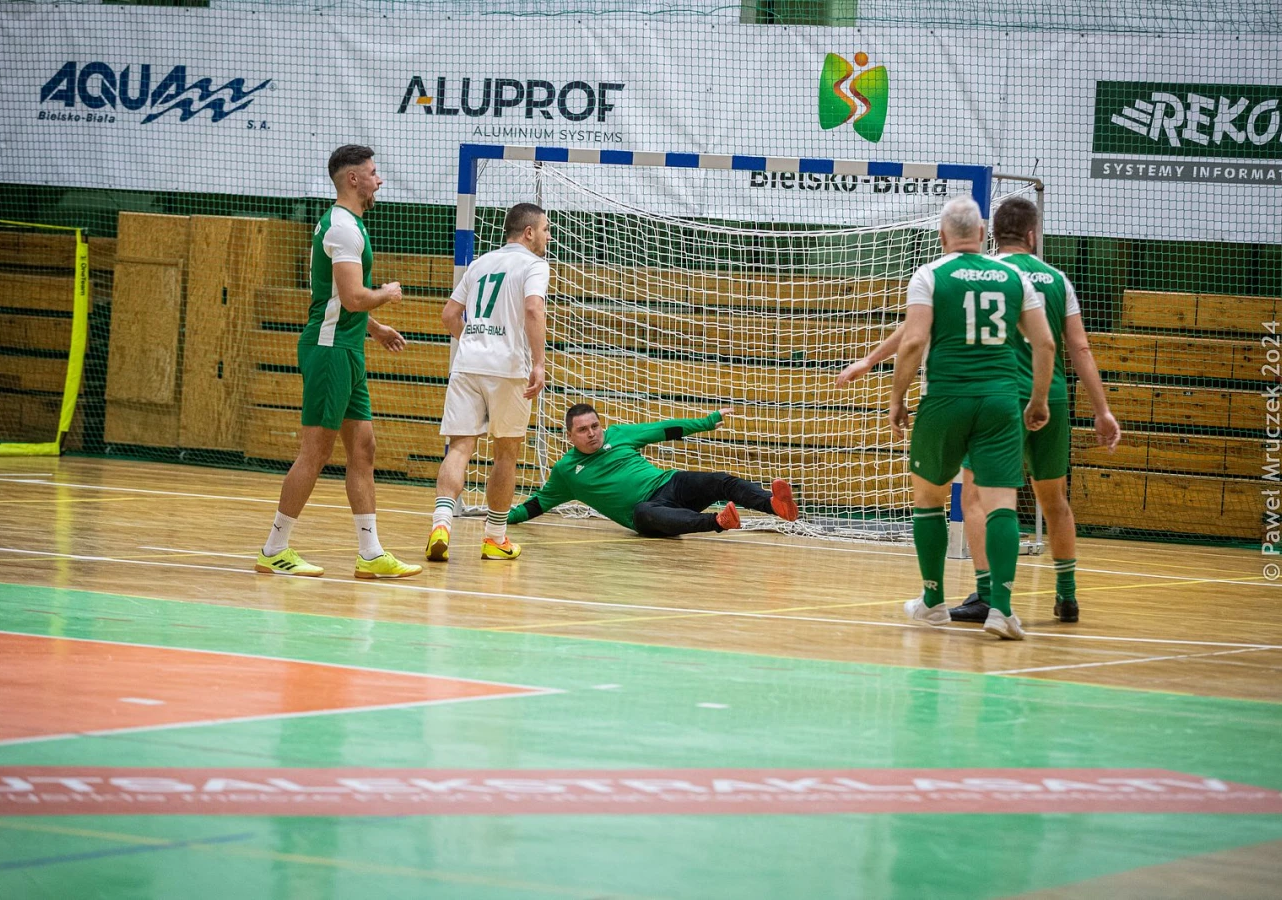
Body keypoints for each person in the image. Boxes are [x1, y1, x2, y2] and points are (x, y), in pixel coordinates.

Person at [839, 196, 1120, 625]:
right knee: (1047, 500)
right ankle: (1057, 597)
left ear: (986, 234)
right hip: (1035, 398)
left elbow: (915, 332)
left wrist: (876, 368)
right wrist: (1094, 408)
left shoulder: (946, 274)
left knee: (966, 499)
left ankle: (974, 595)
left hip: (973, 395)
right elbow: (1070, 347)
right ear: (1031, 235)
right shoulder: (1044, 279)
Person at [887, 196, 1056, 640]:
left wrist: (897, 398)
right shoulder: (1014, 276)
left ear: (942, 236)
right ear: (982, 235)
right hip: (1001, 401)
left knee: (929, 498)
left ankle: (932, 601)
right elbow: (1045, 344)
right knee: (1000, 502)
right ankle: (1001, 610)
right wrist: (1038, 400)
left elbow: (912, 342)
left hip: (945, 399)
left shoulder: (930, 275)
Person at [255, 145, 422, 579]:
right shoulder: (343, 227)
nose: (378, 180)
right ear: (353, 179)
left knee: (363, 448)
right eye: (373, 172)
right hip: (329, 349)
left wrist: (374, 328)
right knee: (315, 452)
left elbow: (339, 297)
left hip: (347, 348)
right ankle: (274, 548)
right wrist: (386, 294)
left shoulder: (349, 224)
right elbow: (351, 297)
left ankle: (370, 553)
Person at [425, 202, 550, 562]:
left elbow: (449, 314)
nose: (548, 236)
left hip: (468, 365)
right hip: (509, 368)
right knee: (505, 453)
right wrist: (539, 363)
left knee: (459, 447)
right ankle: (494, 537)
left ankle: (442, 523)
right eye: (545, 230)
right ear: (529, 232)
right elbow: (533, 309)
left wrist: (472, 342)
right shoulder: (534, 265)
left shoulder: (479, 264)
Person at [507, 403, 799, 537]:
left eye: (595, 426)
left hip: (668, 483)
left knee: (721, 481)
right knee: (646, 511)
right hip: (646, 514)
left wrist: (707, 422)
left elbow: (663, 429)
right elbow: (537, 504)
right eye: (583, 430)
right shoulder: (566, 472)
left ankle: (775, 506)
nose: (592, 433)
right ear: (570, 436)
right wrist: (501, 518)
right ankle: (718, 522)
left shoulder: (619, 434)